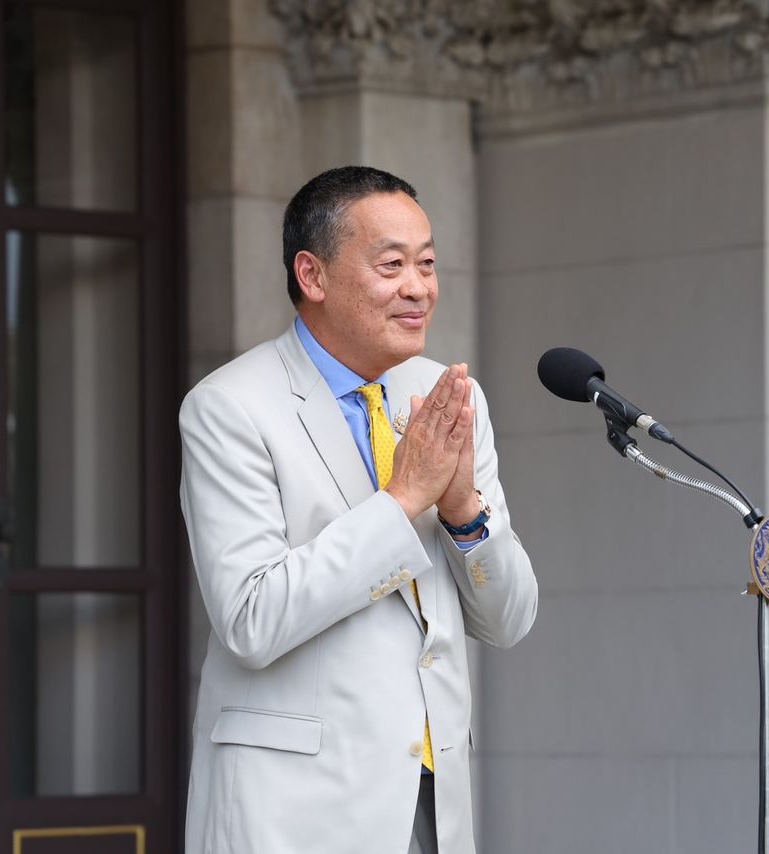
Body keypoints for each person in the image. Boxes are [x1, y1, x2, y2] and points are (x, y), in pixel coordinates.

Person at [179, 166, 538, 854]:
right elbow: (250, 620)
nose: (419, 287)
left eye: (427, 264)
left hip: (431, 804)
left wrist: (463, 511)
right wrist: (403, 502)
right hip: (293, 814)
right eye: (392, 265)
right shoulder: (230, 407)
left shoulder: (447, 397)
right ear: (312, 275)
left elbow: (509, 620)